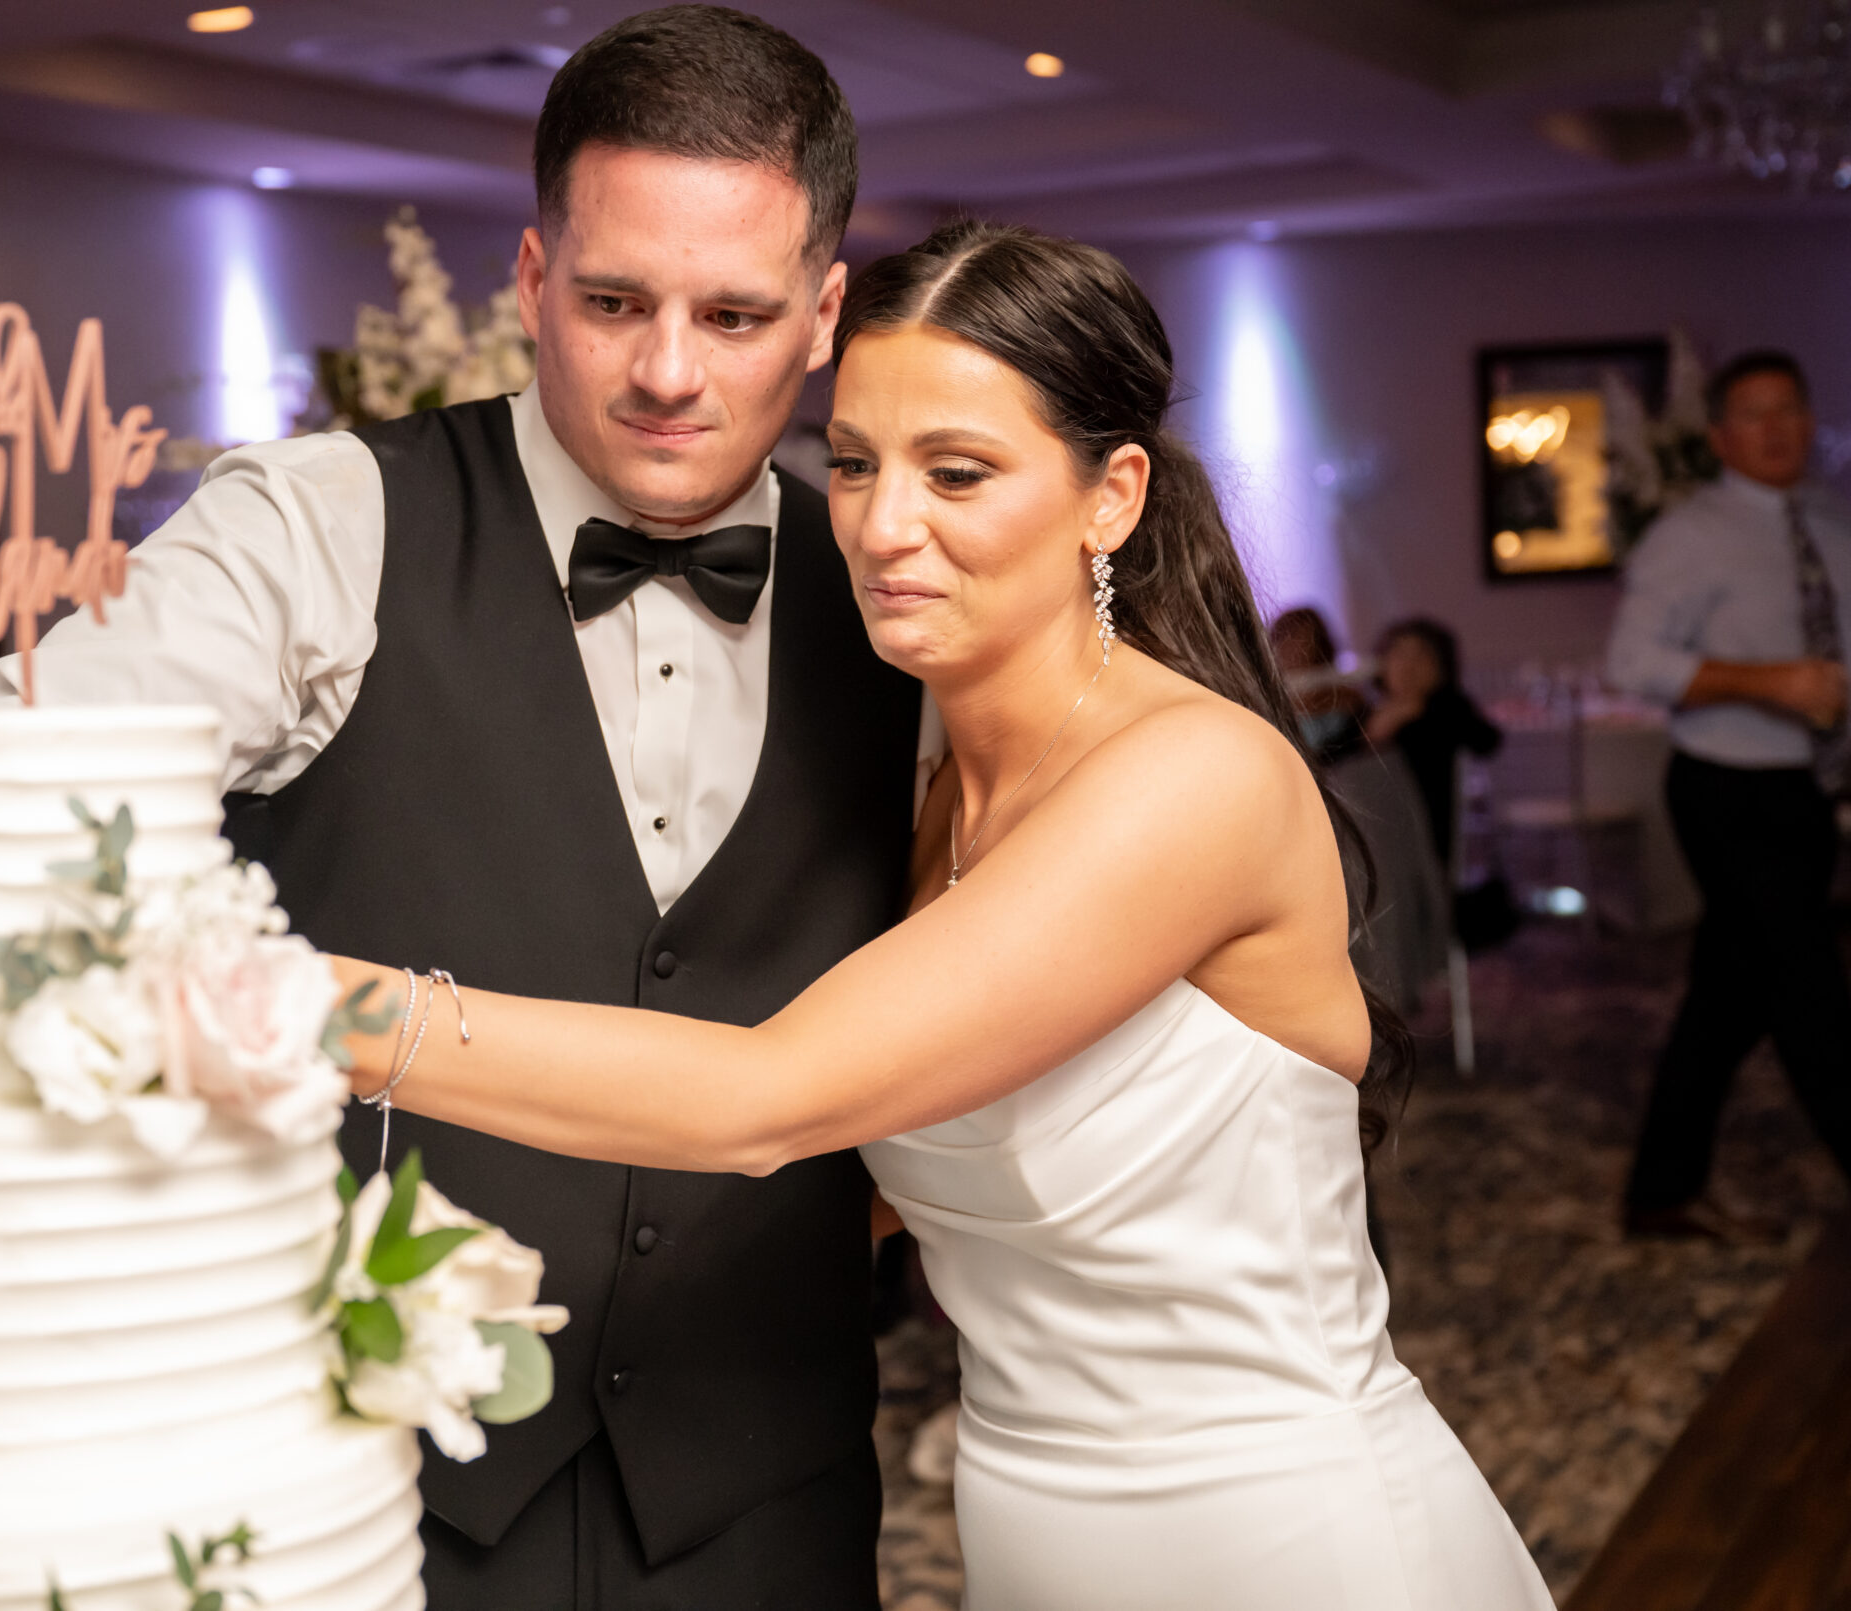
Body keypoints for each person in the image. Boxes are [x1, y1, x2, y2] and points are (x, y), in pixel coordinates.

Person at [325, 223, 1552, 1610]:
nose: (879, 524)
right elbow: (833, 1188)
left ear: (1111, 496)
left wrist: (313, 1008)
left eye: (955, 473)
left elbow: (765, 1096)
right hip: (1027, 1527)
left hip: (1278, 1536)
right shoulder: (937, 801)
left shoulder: (1195, 777)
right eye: (853, 462)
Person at [0, 9, 919, 1604]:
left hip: (767, 1490)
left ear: (824, 316)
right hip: (370, 1490)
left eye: (736, 315)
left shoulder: (901, 592)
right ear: (531, 280)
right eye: (614, 302)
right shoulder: (319, 525)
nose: (669, 372)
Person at [1605, 348, 1851, 1242]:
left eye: (1790, 408)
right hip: (1727, 790)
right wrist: (1769, 681)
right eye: (1754, 412)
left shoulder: (1830, 523)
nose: (1777, 427)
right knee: (1811, 989)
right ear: (1719, 436)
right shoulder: (1688, 534)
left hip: (1810, 790)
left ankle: (1660, 1192)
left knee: (1730, 995)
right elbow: (1631, 662)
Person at [1366, 617, 1502, 865]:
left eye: (1421, 655)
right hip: (1373, 831)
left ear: (1440, 666)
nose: (1408, 666)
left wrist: (1415, 709)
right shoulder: (1363, 713)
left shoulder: (1448, 710)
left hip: (1427, 840)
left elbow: (1487, 740)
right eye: (1399, 654)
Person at [1271, 604, 1367, 761]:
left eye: (1297, 637)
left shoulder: (1344, 692)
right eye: (1283, 638)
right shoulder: (1268, 692)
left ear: (1318, 643)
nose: (1289, 646)